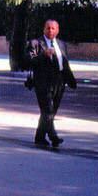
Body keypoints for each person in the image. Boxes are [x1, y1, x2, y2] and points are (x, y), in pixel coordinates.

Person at [27, 19, 76, 148]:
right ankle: (53, 136)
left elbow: (65, 63)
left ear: (58, 30)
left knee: (50, 111)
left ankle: (40, 136)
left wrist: (71, 79)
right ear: (44, 29)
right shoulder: (36, 43)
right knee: (47, 110)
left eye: (53, 28)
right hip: (43, 82)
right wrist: (43, 54)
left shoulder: (61, 44)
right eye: (48, 28)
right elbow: (29, 61)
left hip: (59, 82)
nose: (50, 30)